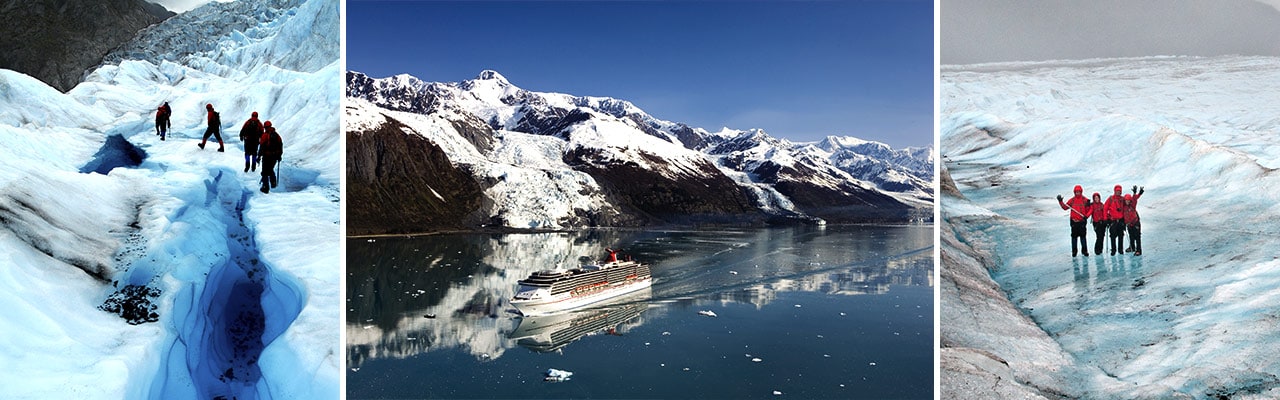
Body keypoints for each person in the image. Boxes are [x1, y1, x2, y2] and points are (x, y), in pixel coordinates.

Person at [1057, 185, 1092, 257]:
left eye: (1079, 192)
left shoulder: (1085, 200)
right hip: (1074, 222)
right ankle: (1074, 251)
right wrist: (1060, 201)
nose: (1077, 193)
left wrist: (1087, 216)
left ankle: (1085, 251)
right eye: (1076, 192)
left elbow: (1090, 210)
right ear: (1074, 192)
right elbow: (1065, 207)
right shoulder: (1072, 200)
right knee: (1074, 237)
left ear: (1081, 192)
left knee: (1083, 237)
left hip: (1082, 222)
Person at [258, 121, 283, 193]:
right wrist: (279, 155)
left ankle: (265, 187)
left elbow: (262, 147)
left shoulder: (265, 135)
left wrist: (259, 156)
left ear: (265, 127)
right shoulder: (277, 135)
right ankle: (273, 183)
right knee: (270, 169)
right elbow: (280, 145)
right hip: (275, 156)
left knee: (265, 172)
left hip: (267, 156)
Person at [1104, 184, 1126, 255]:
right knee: (1112, 236)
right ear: (1114, 191)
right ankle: (1113, 250)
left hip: (1120, 220)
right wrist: (1105, 219)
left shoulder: (1122, 199)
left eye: (1119, 191)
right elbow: (1105, 208)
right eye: (1117, 191)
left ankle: (1120, 249)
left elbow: (1128, 206)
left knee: (1121, 235)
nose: (1118, 192)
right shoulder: (1110, 199)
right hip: (1113, 220)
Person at [1124, 185, 1145, 256]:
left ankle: (1139, 250)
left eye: (1128, 200)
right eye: (1126, 200)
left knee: (1137, 236)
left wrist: (1135, 193)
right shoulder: (1124, 207)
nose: (1127, 201)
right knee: (1131, 236)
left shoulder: (1132, 205)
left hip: (1135, 222)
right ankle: (1132, 247)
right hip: (1129, 224)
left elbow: (1135, 199)